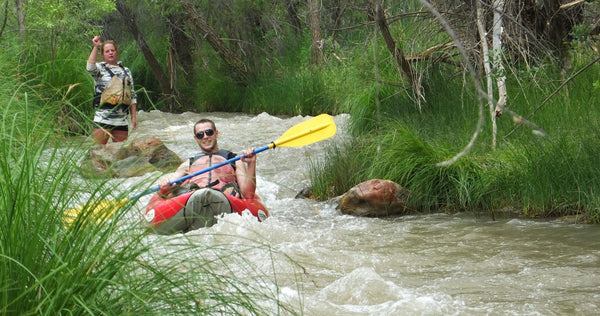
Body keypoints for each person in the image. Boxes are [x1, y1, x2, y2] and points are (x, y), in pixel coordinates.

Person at [151, 118, 257, 234]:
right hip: (193, 198)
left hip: (224, 198)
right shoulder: (188, 163)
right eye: (200, 134)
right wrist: (165, 185)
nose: (205, 137)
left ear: (216, 133)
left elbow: (248, 195)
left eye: (209, 132)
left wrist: (251, 163)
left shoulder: (234, 159)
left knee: (230, 189)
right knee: (187, 189)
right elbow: (169, 186)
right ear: (196, 138)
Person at [87, 35, 138, 145]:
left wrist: (133, 116)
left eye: (112, 50)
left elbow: (132, 95)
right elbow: (90, 67)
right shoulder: (100, 69)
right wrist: (95, 47)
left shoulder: (126, 71)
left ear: (116, 52)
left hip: (121, 120)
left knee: (120, 156)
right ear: (103, 54)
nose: (110, 53)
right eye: (107, 51)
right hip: (103, 119)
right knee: (98, 155)